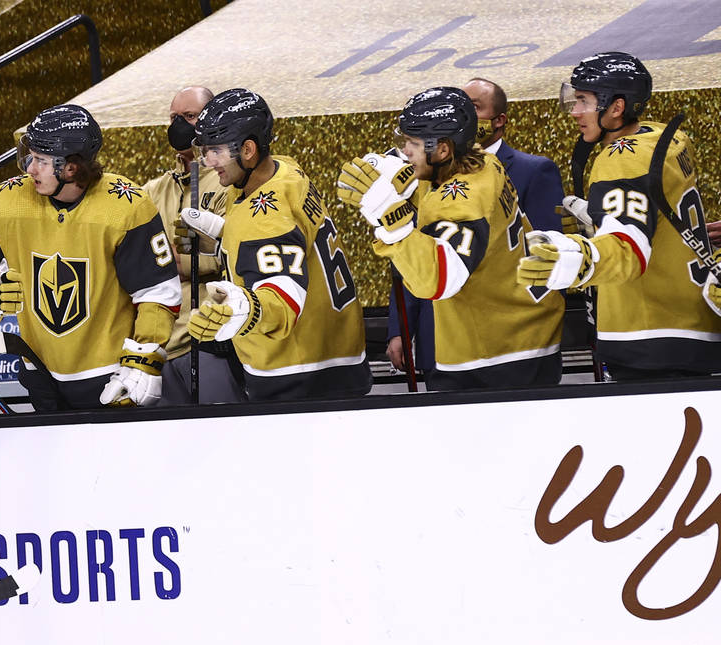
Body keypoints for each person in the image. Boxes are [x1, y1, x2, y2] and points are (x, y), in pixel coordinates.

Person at [0, 103, 182, 410]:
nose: (29, 168)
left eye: (42, 160)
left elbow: (156, 291)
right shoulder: (9, 200)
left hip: (111, 375)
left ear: (71, 167)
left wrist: (142, 360)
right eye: (30, 156)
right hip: (38, 372)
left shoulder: (126, 205)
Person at [340, 86, 564, 391]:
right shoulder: (481, 160)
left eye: (411, 143)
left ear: (443, 150)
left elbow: (438, 280)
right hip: (522, 333)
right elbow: (422, 178)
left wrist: (391, 220)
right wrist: (391, 170)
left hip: (496, 356)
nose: (404, 150)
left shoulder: (464, 201)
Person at [517, 52, 721, 380]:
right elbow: (653, 215)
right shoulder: (665, 137)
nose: (575, 111)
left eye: (583, 100)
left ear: (616, 107)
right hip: (691, 318)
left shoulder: (620, 158)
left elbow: (629, 249)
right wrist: (600, 220)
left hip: (648, 330)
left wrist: (576, 257)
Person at [178, 88, 371, 401]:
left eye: (216, 151)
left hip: (298, 373)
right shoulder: (285, 169)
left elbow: (283, 301)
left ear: (249, 149)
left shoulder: (266, 216)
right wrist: (227, 233)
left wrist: (245, 310)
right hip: (337, 353)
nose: (208, 161)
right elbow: (288, 245)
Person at [142, 86, 244, 406]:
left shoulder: (229, 178)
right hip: (164, 343)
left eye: (189, 116)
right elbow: (138, 259)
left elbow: (230, 251)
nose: (179, 125)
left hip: (212, 338)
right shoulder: (152, 191)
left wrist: (176, 261)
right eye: (174, 118)